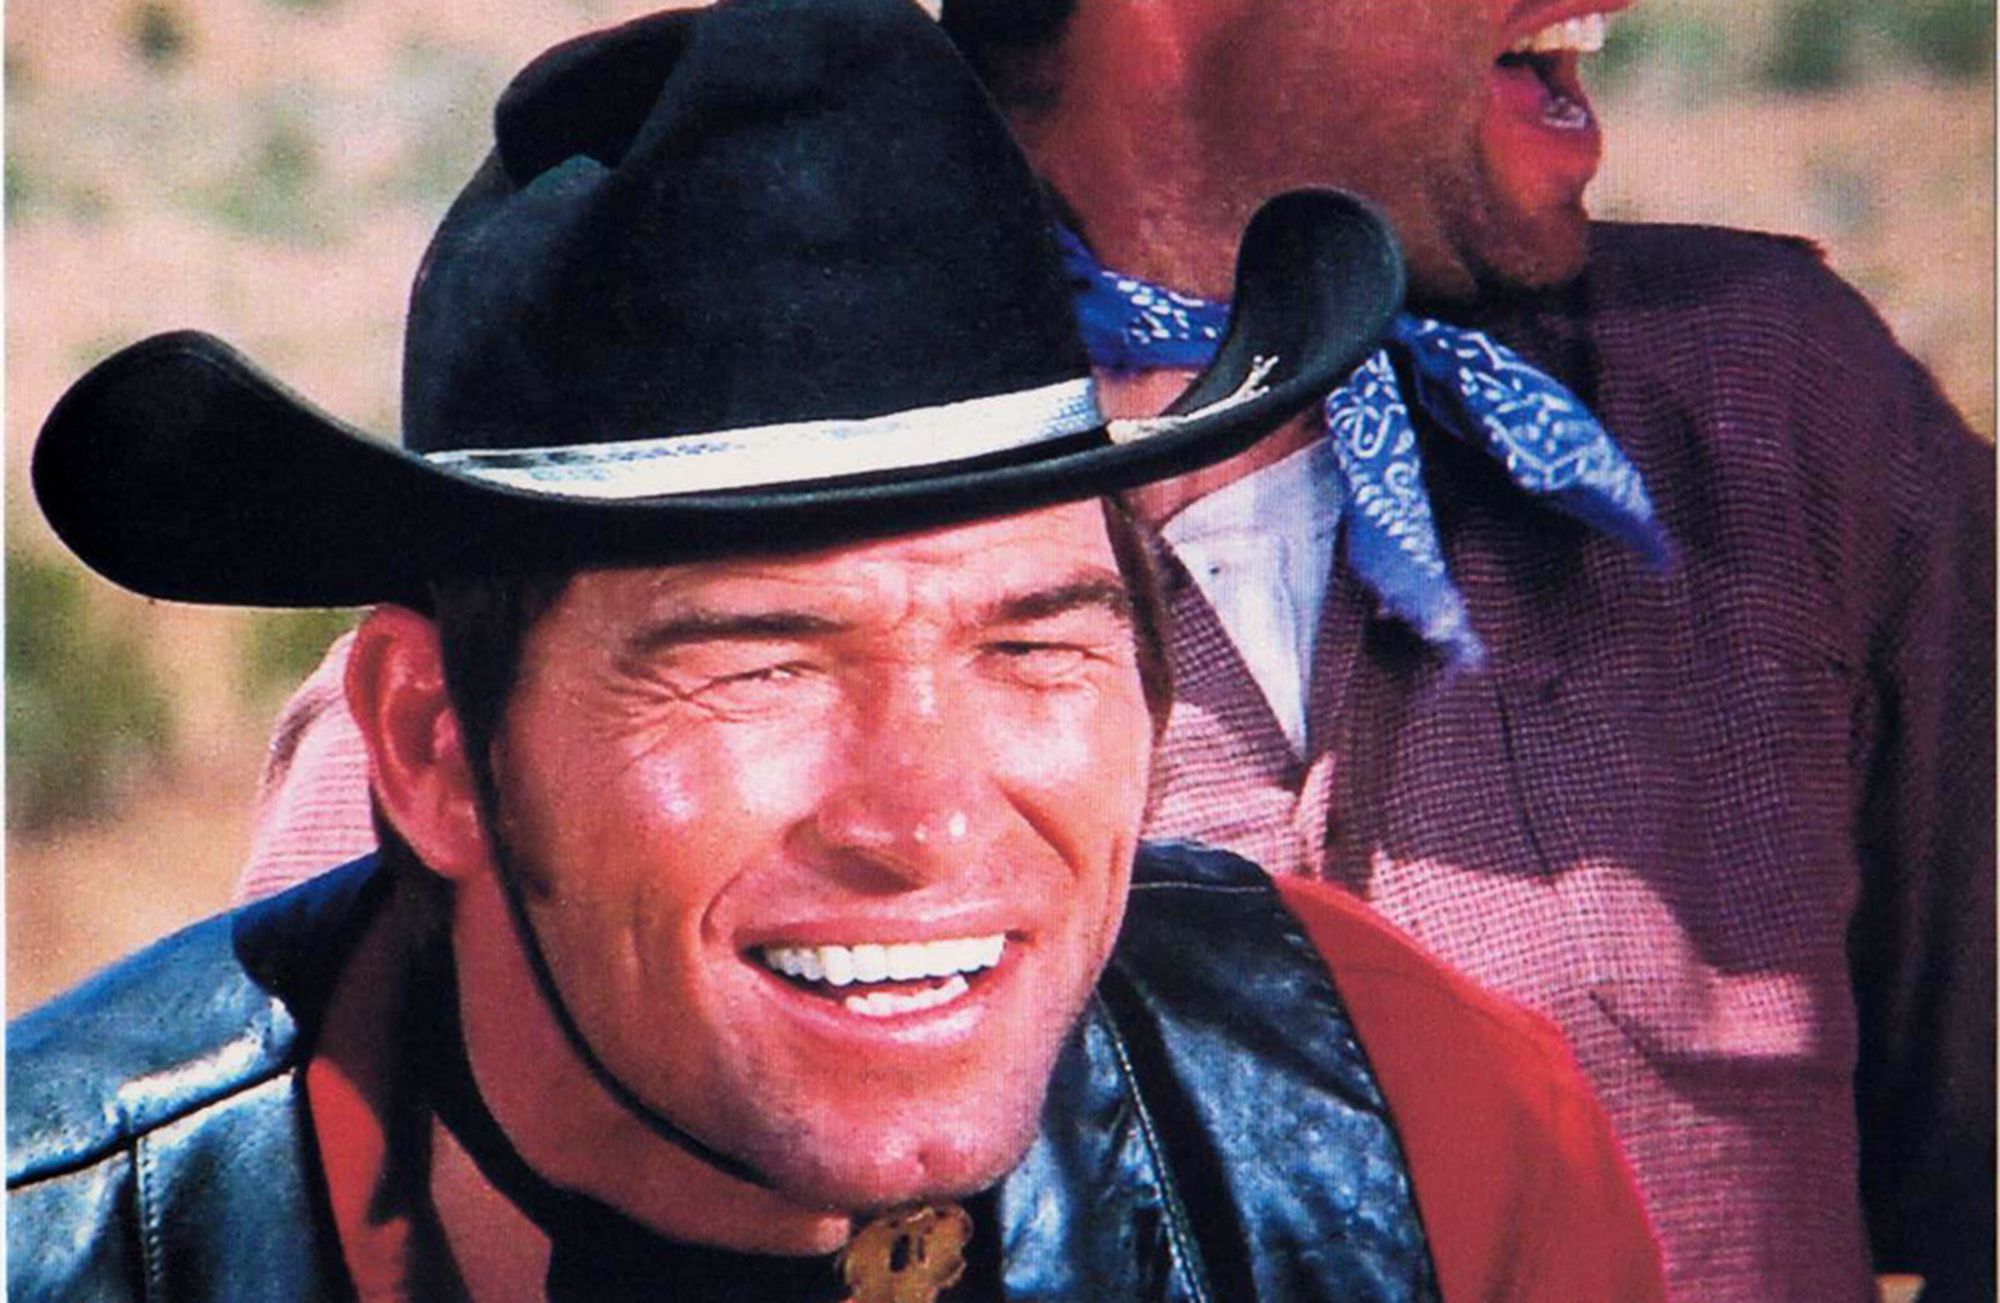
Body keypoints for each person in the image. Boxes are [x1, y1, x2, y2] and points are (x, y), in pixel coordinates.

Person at [230, 3, 1997, 1298]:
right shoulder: (472, 753)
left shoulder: (1775, 423)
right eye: (765, 660)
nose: (921, 812)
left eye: (1033, 643)